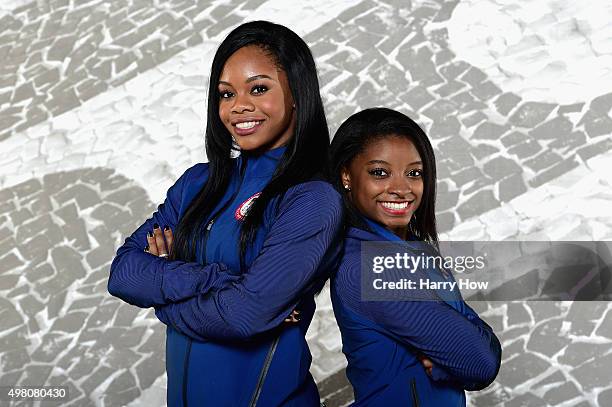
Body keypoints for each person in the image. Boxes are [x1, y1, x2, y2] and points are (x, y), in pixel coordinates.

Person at [108, 21, 343, 406]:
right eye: (226, 93)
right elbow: (123, 274)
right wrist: (219, 279)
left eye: (259, 88)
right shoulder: (197, 184)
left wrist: (163, 297)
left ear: (298, 93)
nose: (239, 106)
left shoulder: (312, 200)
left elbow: (243, 316)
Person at [329, 108, 501, 406]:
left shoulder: (414, 249)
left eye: (414, 173)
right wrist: (457, 349)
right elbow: (481, 362)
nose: (401, 188)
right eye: (379, 172)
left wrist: (451, 352)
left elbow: (479, 348)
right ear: (346, 175)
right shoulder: (372, 268)